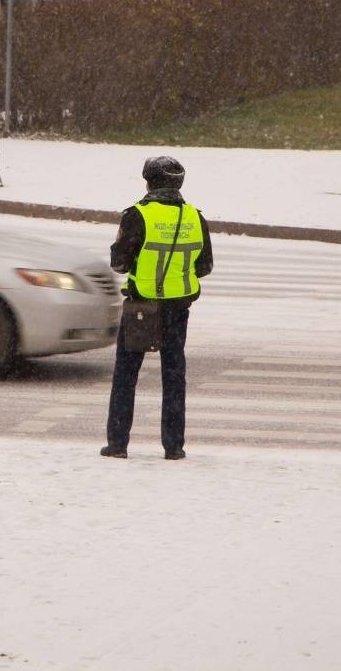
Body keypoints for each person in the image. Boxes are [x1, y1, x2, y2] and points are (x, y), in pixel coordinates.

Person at [101, 156, 214, 461]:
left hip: (142, 306)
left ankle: (118, 444)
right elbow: (205, 267)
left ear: (149, 182)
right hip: (179, 307)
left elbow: (119, 264)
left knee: (127, 374)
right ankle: (174, 446)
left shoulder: (137, 216)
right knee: (174, 374)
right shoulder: (195, 217)